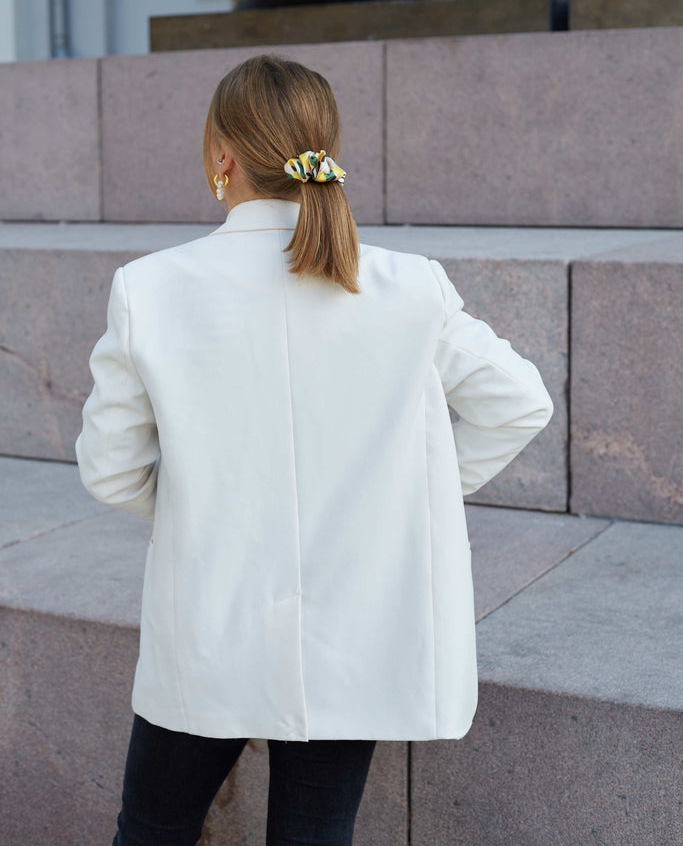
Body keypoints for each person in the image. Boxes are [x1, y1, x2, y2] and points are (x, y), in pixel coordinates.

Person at [75, 53, 554, 846]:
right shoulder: (408, 284)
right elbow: (519, 403)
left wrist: (210, 503)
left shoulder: (150, 289)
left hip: (209, 619)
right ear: (320, 152)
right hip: (356, 630)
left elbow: (111, 470)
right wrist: (409, 491)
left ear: (221, 157)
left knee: (153, 830)